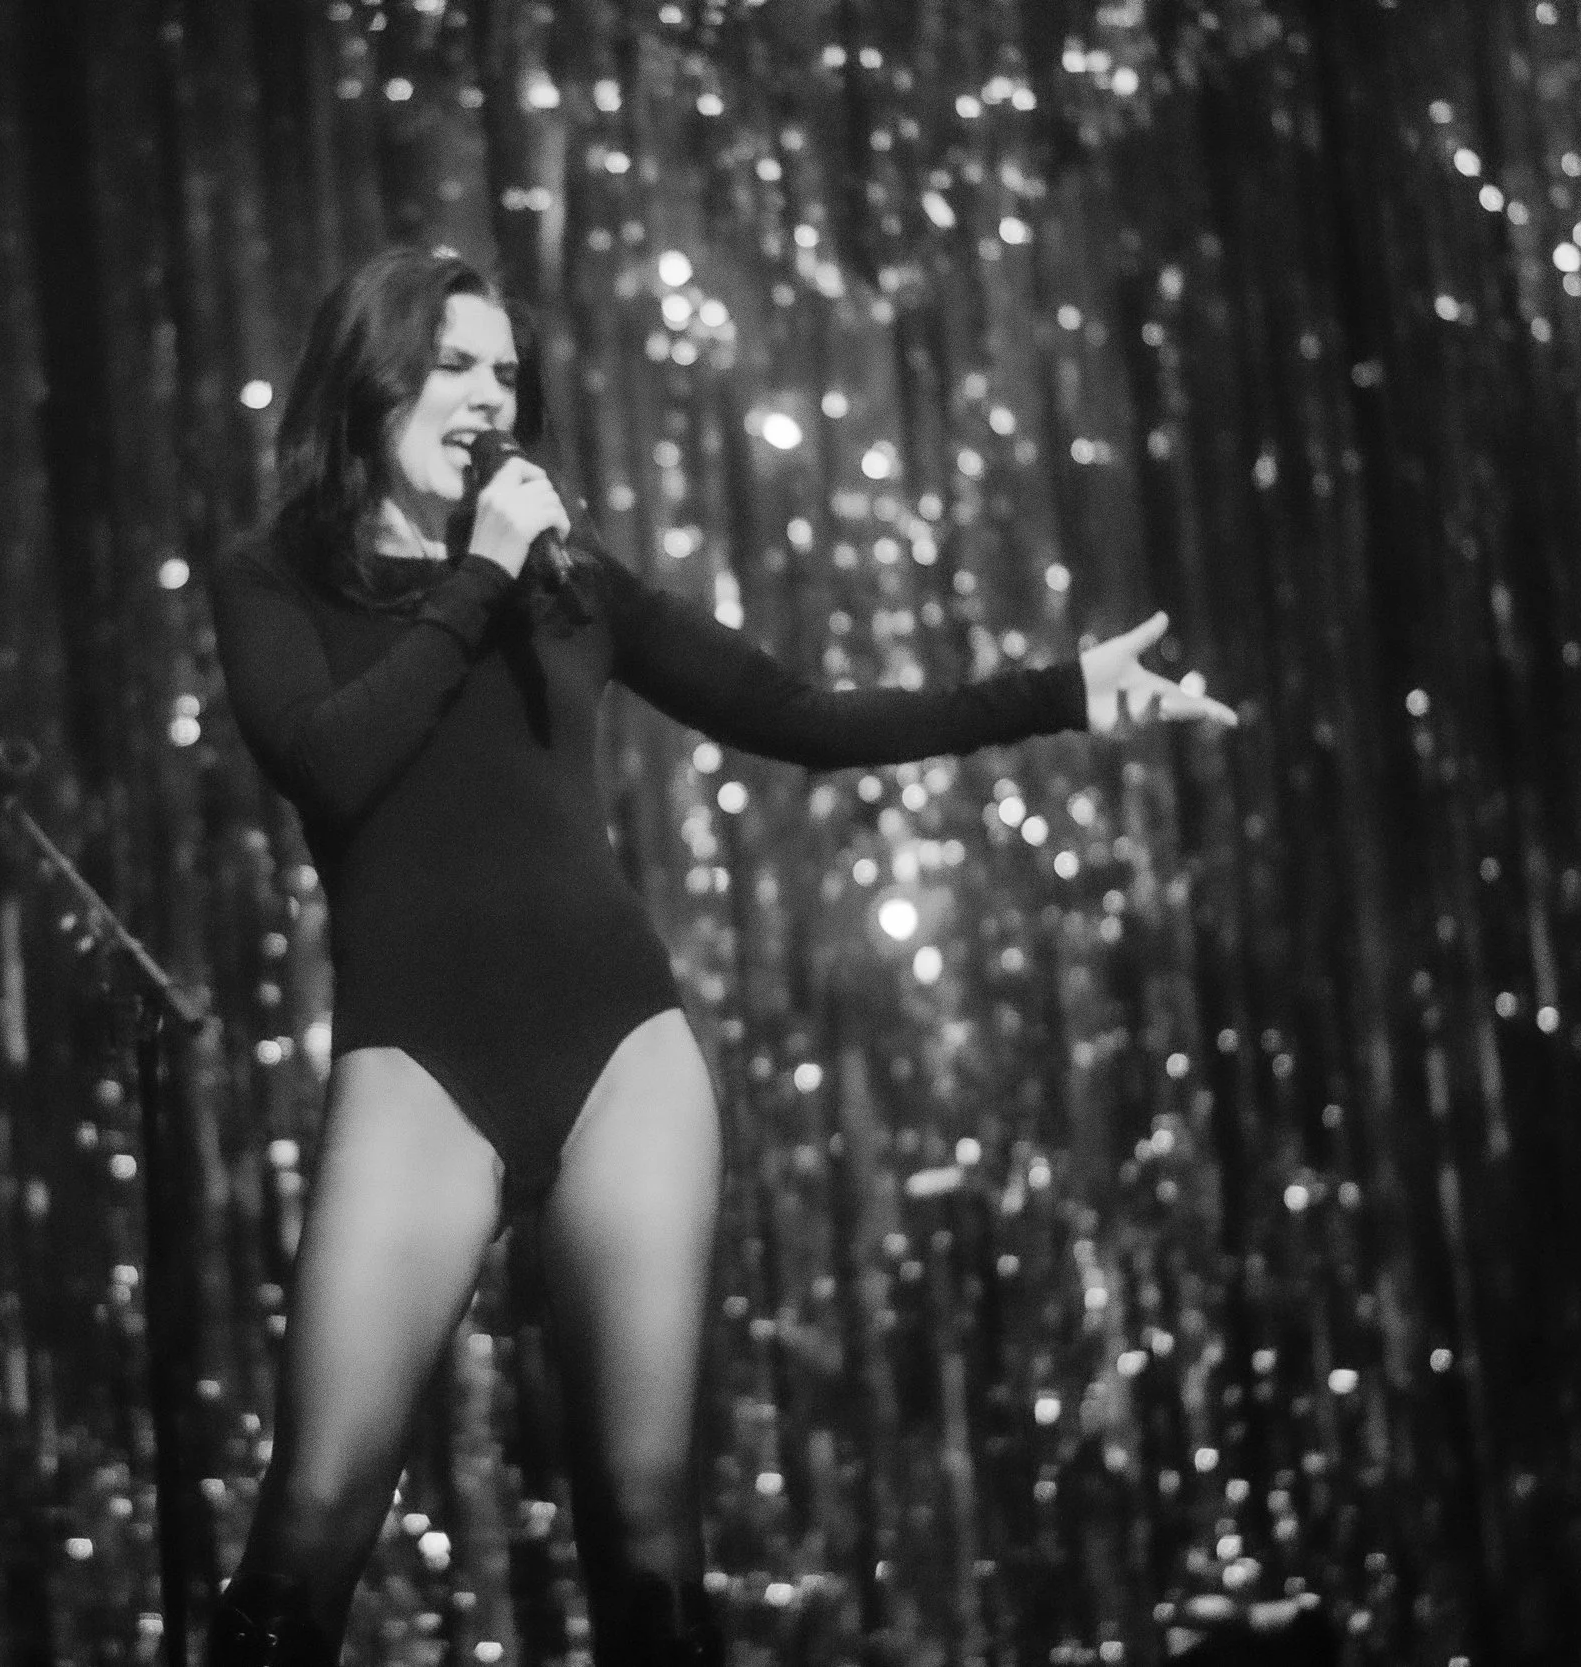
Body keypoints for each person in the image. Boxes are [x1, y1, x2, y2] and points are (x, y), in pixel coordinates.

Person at [203, 246, 1236, 1667]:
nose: (489, 396)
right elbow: (331, 764)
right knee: (313, 1515)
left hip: (622, 1050)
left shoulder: (573, 588)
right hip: (419, 1069)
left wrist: (1060, 693)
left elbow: (801, 714)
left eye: (507, 374)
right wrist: (477, 578)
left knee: (643, 1529)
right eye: (454, 365)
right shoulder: (276, 581)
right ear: (371, 374)